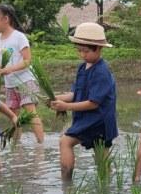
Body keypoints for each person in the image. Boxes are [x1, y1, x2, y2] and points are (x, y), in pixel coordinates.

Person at [49, 22, 118, 182]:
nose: (82, 55)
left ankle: (67, 183)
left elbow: (93, 103)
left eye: (85, 51)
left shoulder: (101, 72)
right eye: (79, 50)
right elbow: (75, 94)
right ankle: (105, 187)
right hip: (87, 118)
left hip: (98, 119)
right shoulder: (82, 68)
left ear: (99, 49)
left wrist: (65, 106)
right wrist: (56, 98)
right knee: (101, 157)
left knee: (66, 141)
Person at [0, 4, 45, 144]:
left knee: (31, 113)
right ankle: (16, 146)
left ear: (6, 19)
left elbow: (27, 61)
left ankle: (41, 145)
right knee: (13, 115)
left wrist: (9, 69)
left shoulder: (19, 37)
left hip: (25, 81)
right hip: (9, 84)